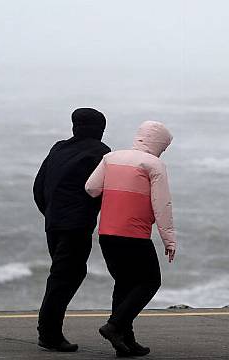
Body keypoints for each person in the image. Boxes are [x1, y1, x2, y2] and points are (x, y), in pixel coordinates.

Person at [85, 121, 176, 357]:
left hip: (107, 233)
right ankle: (114, 327)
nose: (162, 152)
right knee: (149, 281)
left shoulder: (111, 158)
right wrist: (169, 240)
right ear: (158, 143)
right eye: (164, 147)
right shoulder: (154, 164)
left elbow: (91, 188)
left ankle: (125, 342)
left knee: (124, 284)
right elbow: (162, 205)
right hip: (134, 234)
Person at [33, 108, 111, 352]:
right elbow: (103, 192)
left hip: (53, 223)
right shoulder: (102, 153)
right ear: (100, 130)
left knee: (62, 275)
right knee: (65, 277)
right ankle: (49, 333)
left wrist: (52, 213)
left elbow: (39, 187)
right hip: (76, 226)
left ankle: (49, 330)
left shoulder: (58, 148)